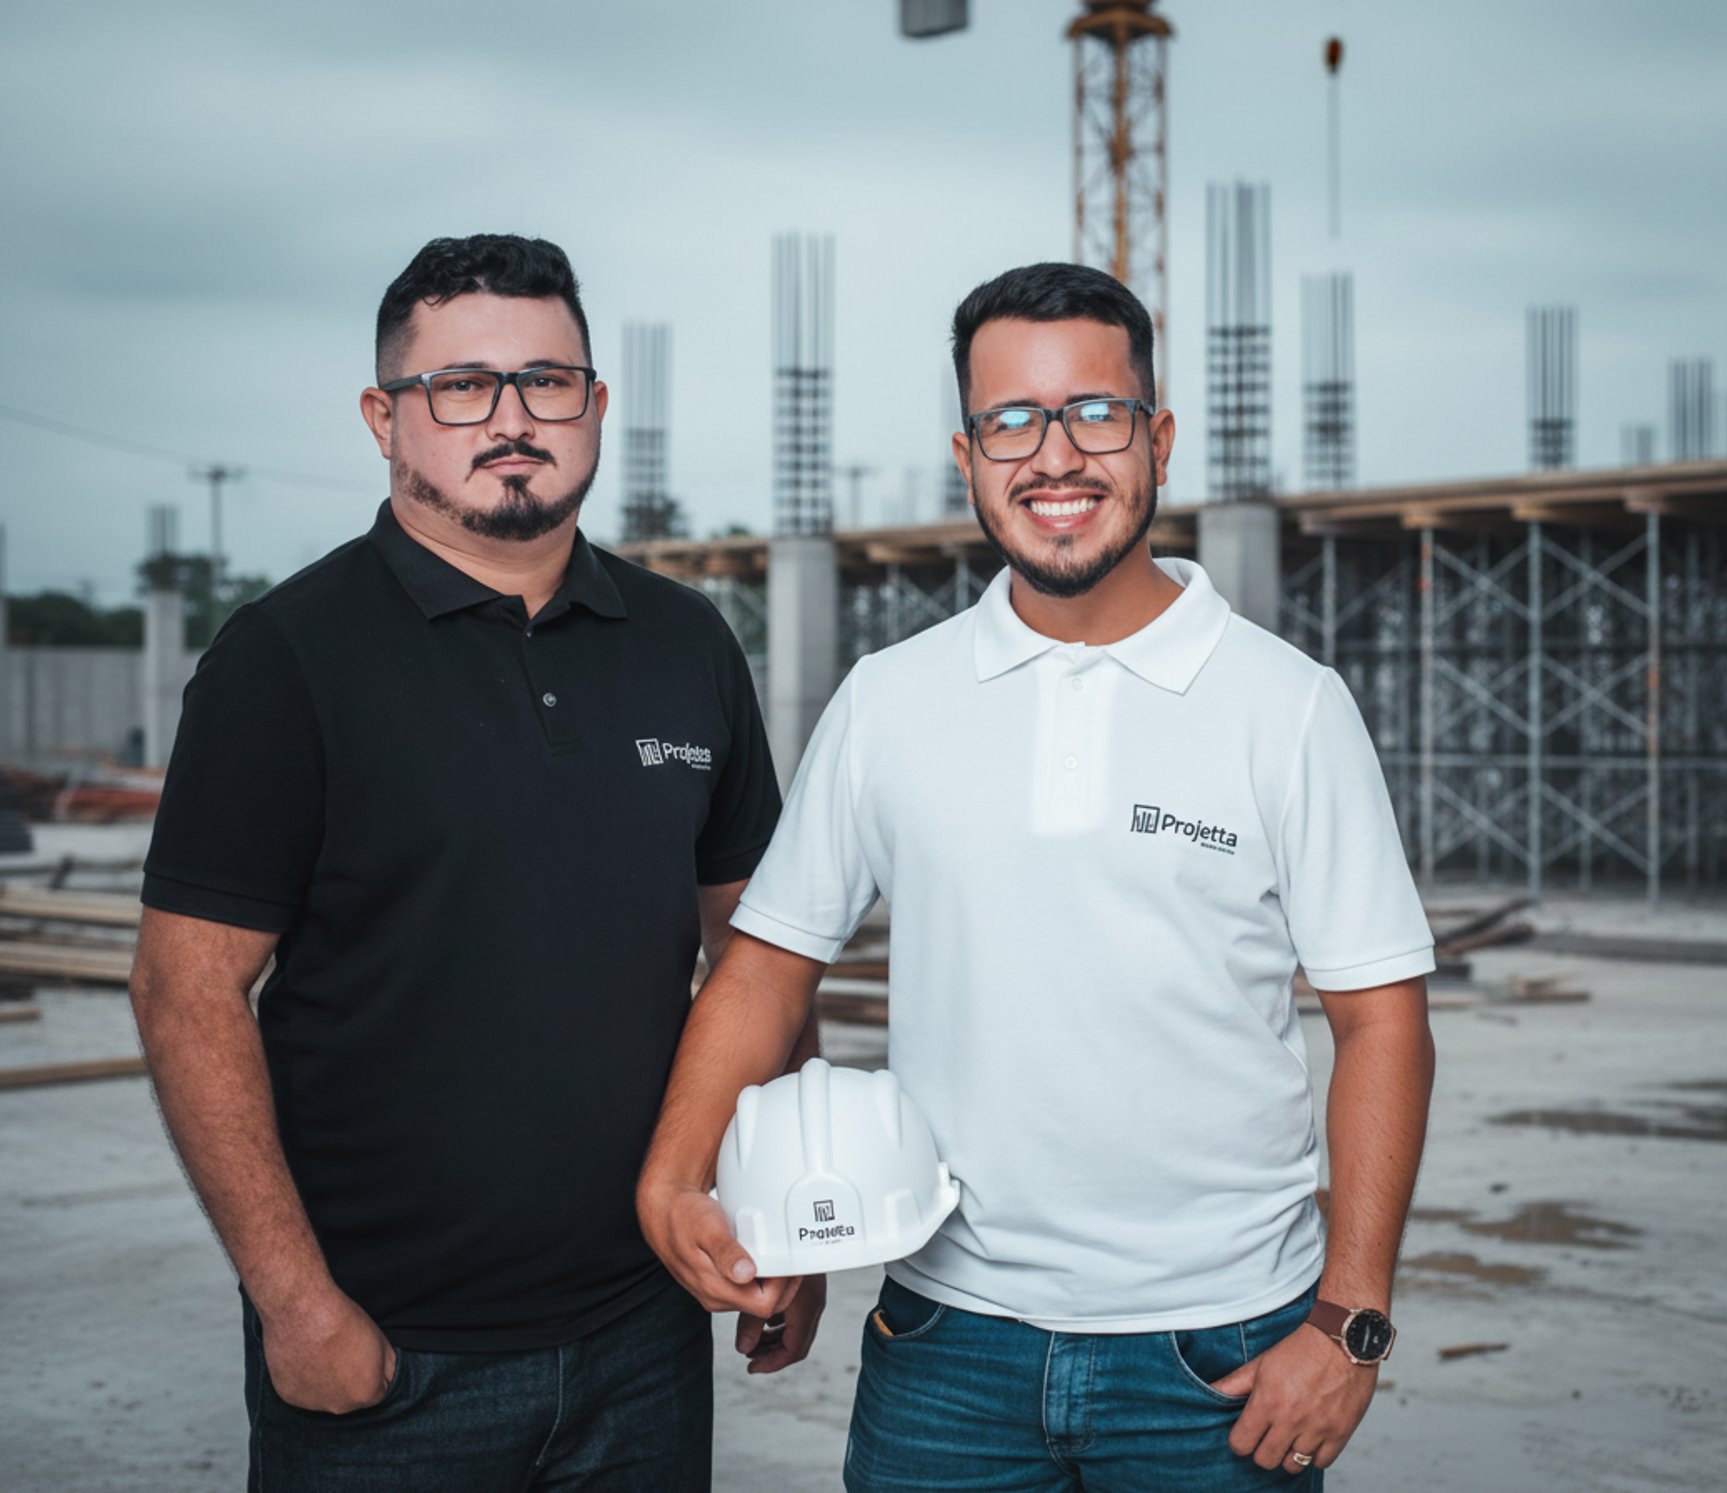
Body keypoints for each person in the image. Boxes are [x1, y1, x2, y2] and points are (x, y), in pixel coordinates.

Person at [639, 261, 1437, 1489]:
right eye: (1012, 419)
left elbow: (1381, 1019)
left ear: (1157, 437)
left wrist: (1351, 1321)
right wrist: (675, 1173)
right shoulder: (890, 703)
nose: (1053, 455)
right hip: (946, 1344)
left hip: (1221, 1355)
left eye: (1094, 413)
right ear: (968, 454)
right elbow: (763, 966)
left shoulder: (1286, 708)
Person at [129, 233, 818, 1493]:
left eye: (547, 381)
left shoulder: (686, 642)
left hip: (644, 1333)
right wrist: (294, 1300)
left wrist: (794, 1210)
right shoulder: (289, 656)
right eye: (461, 386)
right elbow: (186, 991)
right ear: (385, 418)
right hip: (389, 1354)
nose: (510, 417)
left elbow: (760, 955)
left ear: (596, 406)